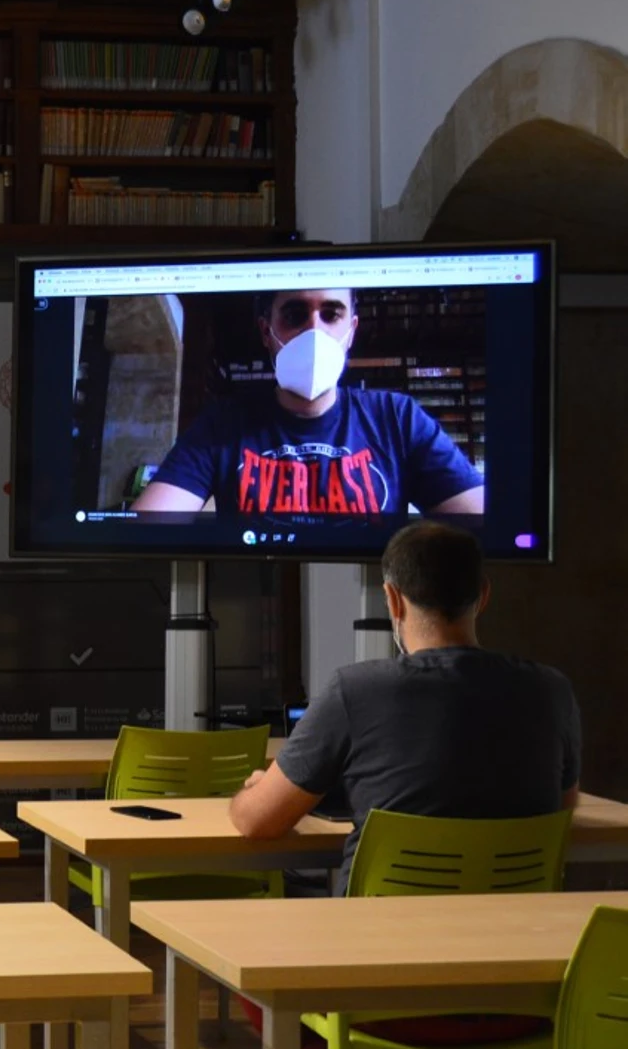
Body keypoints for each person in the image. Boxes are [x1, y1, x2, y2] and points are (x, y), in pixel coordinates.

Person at [228, 521, 580, 1044]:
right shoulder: (552, 691)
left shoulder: (357, 690)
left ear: (392, 599)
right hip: (522, 997)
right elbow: (563, 807)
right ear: (482, 596)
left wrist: (254, 786)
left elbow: (257, 822)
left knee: (251, 964)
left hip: (375, 998)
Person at [131, 288, 485, 517]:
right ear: (265, 332)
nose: (314, 331)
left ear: (351, 332)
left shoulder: (397, 417)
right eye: (295, 314)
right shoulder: (224, 422)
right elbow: (147, 528)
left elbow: (486, 523)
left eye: (331, 315)